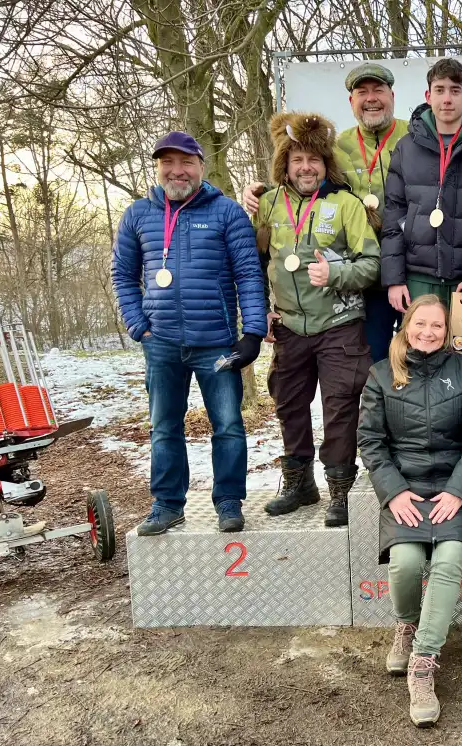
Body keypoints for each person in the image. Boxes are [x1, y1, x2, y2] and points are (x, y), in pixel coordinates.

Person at [112, 131, 267, 536]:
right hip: (161, 343)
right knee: (164, 427)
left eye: (186, 163)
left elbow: (249, 275)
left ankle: (229, 501)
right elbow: (123, 275)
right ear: (158, 167)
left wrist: (253, 331)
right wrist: (138, 325)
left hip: (216, 342)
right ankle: (167, 504)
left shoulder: (227, 213)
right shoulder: (138, 214)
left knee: (228, 425)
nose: (177, 171)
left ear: (201, 166)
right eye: (168, 163)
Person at [357, 295, 462, 728]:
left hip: (452, 488)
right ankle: (407, 626)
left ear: (447, 333)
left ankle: (423, 662)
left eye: (437, 326)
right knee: (406, 563)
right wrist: (393, 493)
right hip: (405, 489)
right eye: (420, 324)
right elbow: (370, 441)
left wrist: (459, 491)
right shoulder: (381, 374)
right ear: (406, 326)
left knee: (447, 560)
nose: (428, 332)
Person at [252, 112, 380, 526]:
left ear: (326, 164)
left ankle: (340, 489)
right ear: (285, 165)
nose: (306, 168)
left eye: (314, 160)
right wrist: (260, 309)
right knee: (288, 403)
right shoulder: (268, 205)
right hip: (289, 327)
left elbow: (372, 264)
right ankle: (299, 484)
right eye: (297, 160)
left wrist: (336, 274)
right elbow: (253, 263)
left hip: (340, 325)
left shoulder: (346, 205)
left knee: (339, 406)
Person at [242, 62, 405, 364]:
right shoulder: (339, 145)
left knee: (421, 353)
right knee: (374, 363)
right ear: (351, 101)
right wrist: (263, 190)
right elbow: (306, 183)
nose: (371, 98)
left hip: (411, 270)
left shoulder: (413, 137)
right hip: (365, 280)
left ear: (392, 96)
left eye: (378, 90)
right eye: (362, 92)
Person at [382, 58, 462, 311]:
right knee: (418, 337)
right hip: (417, 279)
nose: (447, 99)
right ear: (428, 96)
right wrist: (395, 279)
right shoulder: (406, 148)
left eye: (455, 90)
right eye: (439, 90)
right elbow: (393, 216)